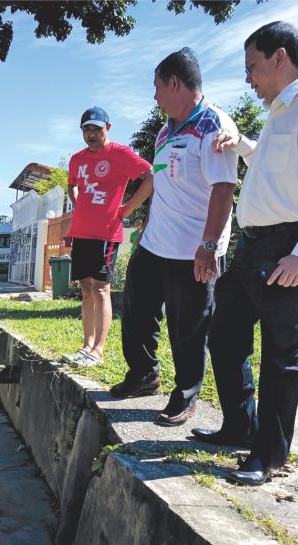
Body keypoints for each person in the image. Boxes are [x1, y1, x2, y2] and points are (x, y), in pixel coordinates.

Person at [193, 22, 298, 486]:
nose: (248, 79)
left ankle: (269, 454)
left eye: (253, 67)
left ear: (280, 58)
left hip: (288, 246)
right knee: (224, 336)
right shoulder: (279, 111)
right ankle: (240, 426)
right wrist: (242, 145)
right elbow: (277, 165)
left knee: (281, 353)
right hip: (252, 246)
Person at [109, 48, 238, 428]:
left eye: (157, 87)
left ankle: (185, 394)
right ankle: (143, 375)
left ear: (175, 83)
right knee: (135, 312)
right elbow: (161, 181)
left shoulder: (213, 125)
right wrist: (143, 219)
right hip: (155, 244)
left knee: (189, 326)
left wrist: (209, 245)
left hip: (193, 249)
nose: (155, 96)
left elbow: (223, 189)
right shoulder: (166, 131)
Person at [63, 106, 153, 366]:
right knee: (86, 288)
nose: (91, 134)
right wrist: (78, 204)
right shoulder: (77, 159)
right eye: (86, 129)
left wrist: (126, 209)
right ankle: (86, 346)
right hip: (81, 232)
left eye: (96, 129)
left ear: (108, 128)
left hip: (105, 234)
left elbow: (150, 177)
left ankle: (98, 351)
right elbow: (71, 185)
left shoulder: (120, 154)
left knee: (101, 288)